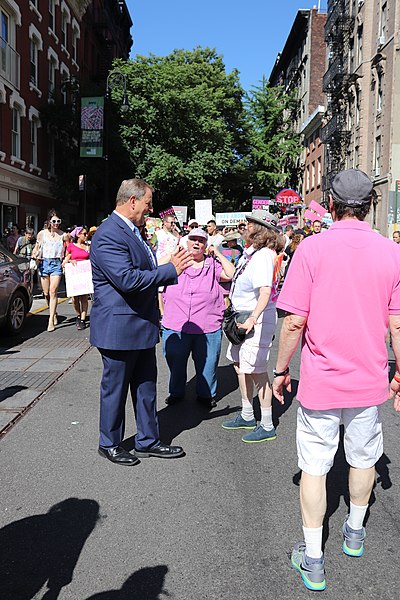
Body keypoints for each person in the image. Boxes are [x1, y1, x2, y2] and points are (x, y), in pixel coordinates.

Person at [272, 169, 400, 592]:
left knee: (314, 465)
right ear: (370, 206)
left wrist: (280, 369)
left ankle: (312, 557)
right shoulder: (392, 253)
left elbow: (293, 321)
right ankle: (355, 531)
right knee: (364, 458)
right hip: (368, 380)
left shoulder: (312, 249)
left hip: (322, 380)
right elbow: (397, 325)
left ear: (330, 204)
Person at [90, 178, 193, 466]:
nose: (150, 209)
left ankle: (147, 440)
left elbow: (140, 272)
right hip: (119, 328)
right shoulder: (109, 233)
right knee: (116, 388)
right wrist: (169, 270)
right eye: (148, 203)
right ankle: (109, 443)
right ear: (132, 200)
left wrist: (166, 267)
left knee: (146, 386)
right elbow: (127, 280)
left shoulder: (133, 231)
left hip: (141, 324)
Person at [222, 209, 283, 443]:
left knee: (257, 371)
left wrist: (252, 319)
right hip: (242, 319)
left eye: (249, 223)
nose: (245, 226)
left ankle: (267, 424)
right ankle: (247, 414)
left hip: (253, 321)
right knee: (240, 366)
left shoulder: (265, 255)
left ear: (260, 229)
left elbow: (265, 291)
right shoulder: (252, 252)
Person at [161, 227, 235, 408]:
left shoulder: (212, 265)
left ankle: (206, 394)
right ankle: (176, 392)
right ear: (186, 243)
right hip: (176, 323)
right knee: (175, 362)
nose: (196, 243)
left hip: (207, 325)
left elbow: (231, 273)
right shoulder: (176, 263)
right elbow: (157, 268)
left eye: (201, 241)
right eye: (193, 239)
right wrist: (173, 254)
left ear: (206, 245)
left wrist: (217, 252)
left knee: (208, 363)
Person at [32, 210, 67, 332]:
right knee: (46, 293)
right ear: (49, 222)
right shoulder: (42, 234)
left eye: (58, 221)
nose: (56, 223)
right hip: (44, 263)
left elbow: (69, 250)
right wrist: (35, 255)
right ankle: (54, 312)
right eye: (54, 221)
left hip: (56, 263)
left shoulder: (63, 235)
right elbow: (36, 248)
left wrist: (65, 260)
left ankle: (51, 319)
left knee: (53, 291)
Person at [63, 226, 91, 330]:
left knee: (84, 297)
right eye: (84, 234)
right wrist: (70, 261)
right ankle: (78, 315)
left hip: (84, 274)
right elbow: (66, 259)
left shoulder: (88, 246)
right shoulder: (71, 246)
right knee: (75, 298)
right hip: (74, 274)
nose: (86, 236)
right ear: (78, 235)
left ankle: (83, 319)